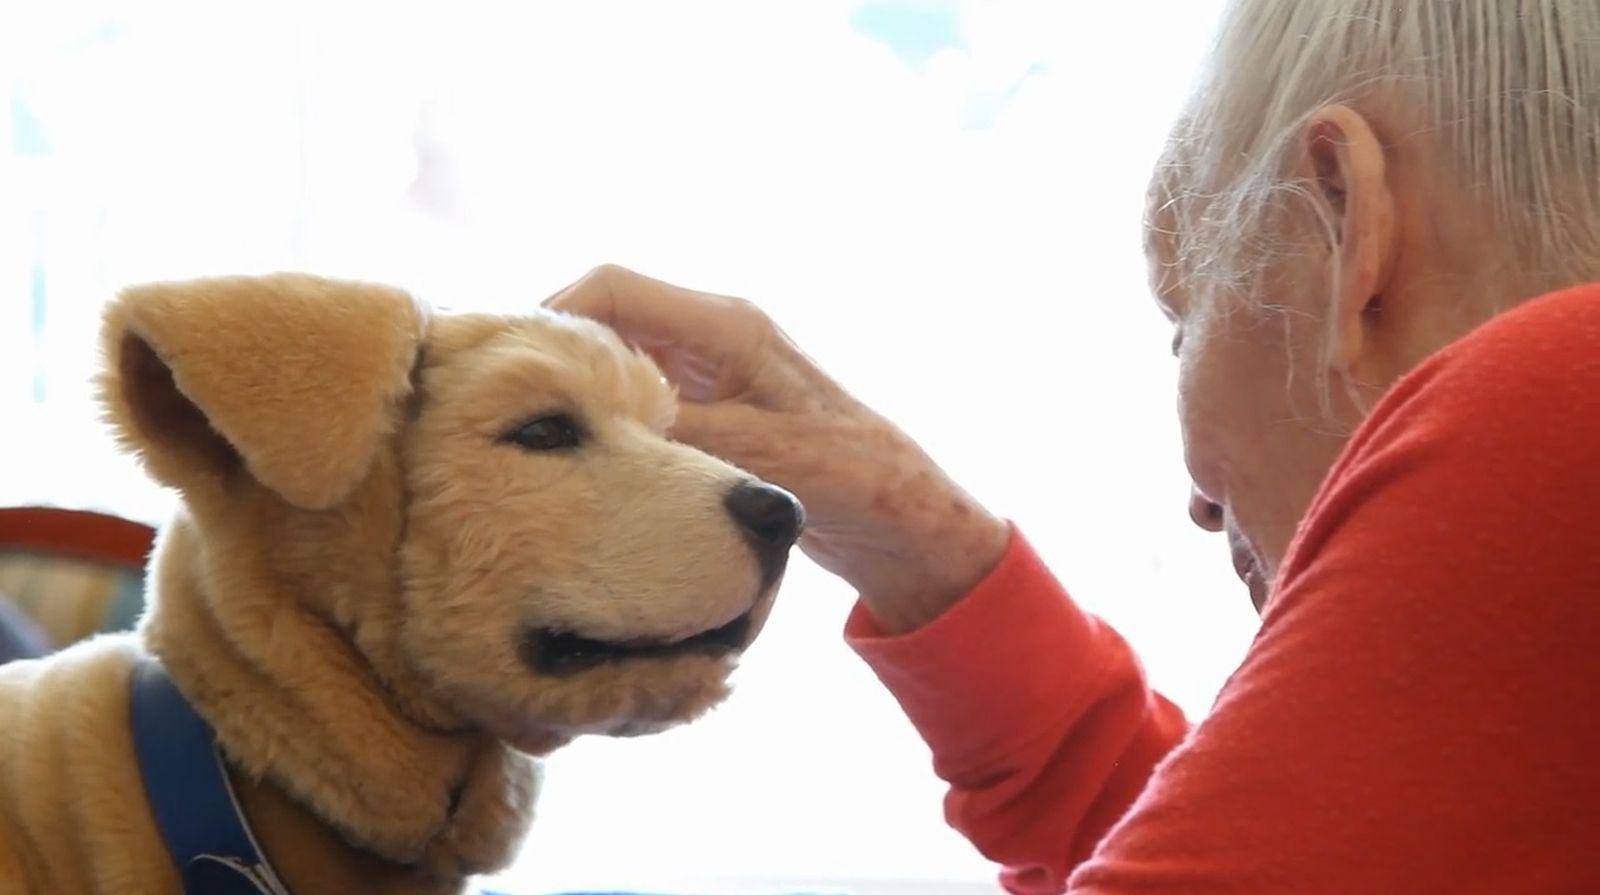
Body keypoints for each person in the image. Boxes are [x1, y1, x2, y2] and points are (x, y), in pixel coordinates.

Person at [547, 1, 1600, 891]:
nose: (1195, 505)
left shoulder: (1554, 392)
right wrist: (916, 531)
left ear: (1342, 215)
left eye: (1180, 322)